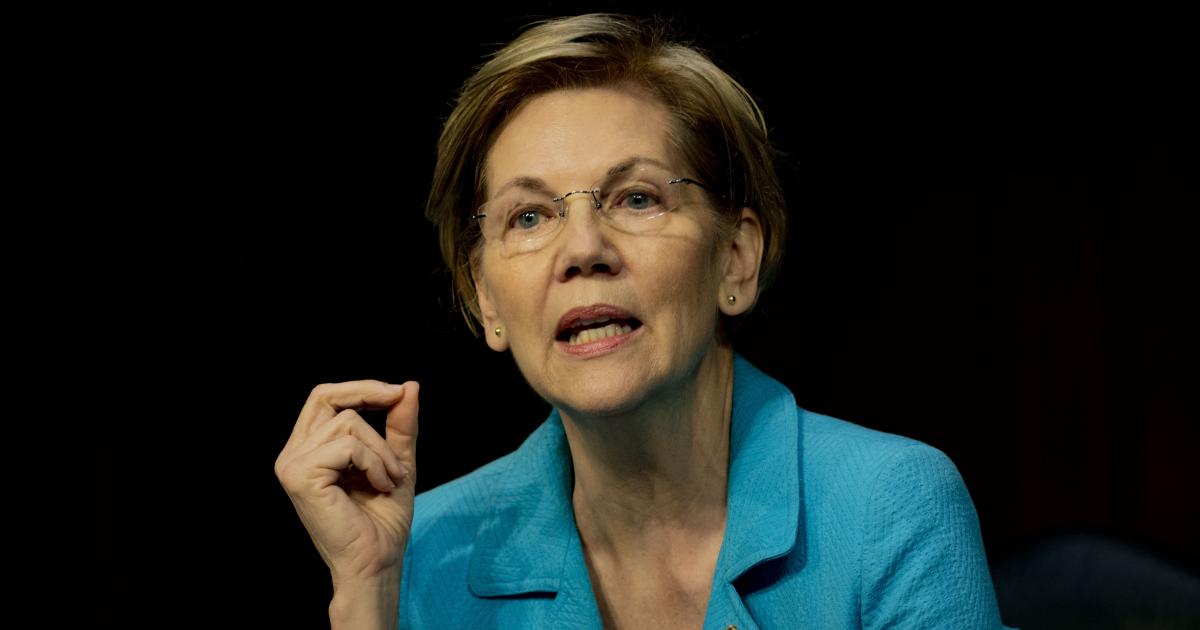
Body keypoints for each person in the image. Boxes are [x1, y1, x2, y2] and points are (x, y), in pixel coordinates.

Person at [275, 13, 1010, 629]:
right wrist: (367, 598)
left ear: (735, 260)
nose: (583, 251)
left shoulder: (886, 506)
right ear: (485, 298)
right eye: (529, 216)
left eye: (636, 199)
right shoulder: (423, 553)